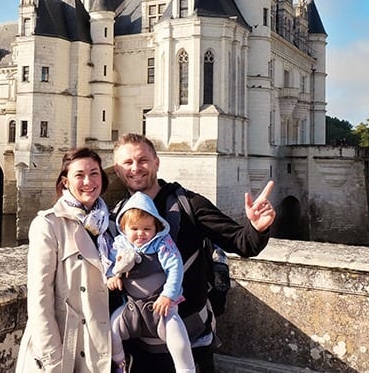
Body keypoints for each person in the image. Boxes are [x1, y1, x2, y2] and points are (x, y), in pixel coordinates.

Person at [112, 133, 276, 373]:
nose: (136, 168)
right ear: (117, 170)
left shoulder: (189, 204)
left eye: (143, 160)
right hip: (139, 349)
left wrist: (257, 228)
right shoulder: (116, 216)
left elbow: (243, 244)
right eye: (127, 163)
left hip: (191, 344)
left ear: (157, 162)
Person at [15, 147, 114, 372]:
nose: (88, 181)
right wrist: (52, 358)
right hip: (65, 348)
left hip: (98, 347)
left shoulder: (110, 226)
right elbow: (40, 298)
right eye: (79, 175)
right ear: (65, 182)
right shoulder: (48, 225)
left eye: (94, 173)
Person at [106, 191, 196, 373]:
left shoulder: (163, 244)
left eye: (147, 229)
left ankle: (187, 370)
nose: (141, 234)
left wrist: (168, 295)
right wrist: (112, 276)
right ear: (124, 229)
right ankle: (120, 364)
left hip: (162, 308)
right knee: (110, 331)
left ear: (156, 228)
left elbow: (175, 268)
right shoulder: (120, 244)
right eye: (135, 229)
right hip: (132, 309)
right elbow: (110, 262)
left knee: (179, 342)